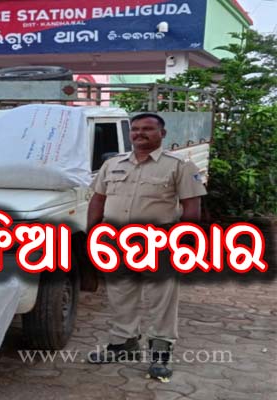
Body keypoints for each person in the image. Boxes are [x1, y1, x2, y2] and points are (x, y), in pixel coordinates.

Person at [85, 113, 207, 382]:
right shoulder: (112, 164)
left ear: (162, 134)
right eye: (135, 129)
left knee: (161, 298)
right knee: (120, 294)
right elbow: (98, 200)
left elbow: (191, 208)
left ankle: (160, 353)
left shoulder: (179, 166)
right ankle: (123, 344)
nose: (140, 133)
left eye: (148, 129)